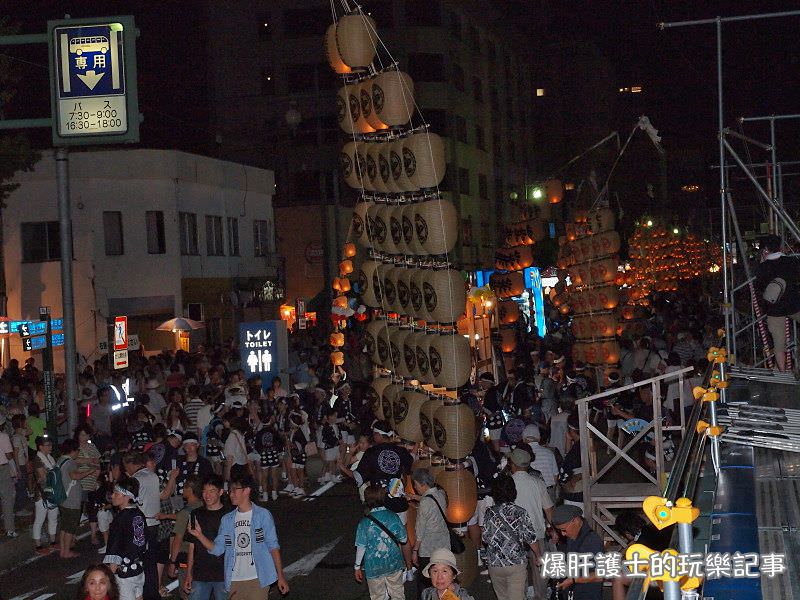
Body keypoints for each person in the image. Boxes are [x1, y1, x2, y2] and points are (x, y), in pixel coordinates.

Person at [188, 474, 289, 599]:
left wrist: (281, 576)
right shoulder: (227, 519)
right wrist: (199, 535)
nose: (231, 494)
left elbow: (273, 546)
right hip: (234, 580)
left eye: (235, 490)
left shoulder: (262, 515)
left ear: (247, 490)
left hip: (258, 578)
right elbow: (218, 549)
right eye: (230, 491)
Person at [482, 474, 539, 600]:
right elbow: (531, 538)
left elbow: (485, 537)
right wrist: (538, 555)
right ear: (513, 491)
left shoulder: (489, 512)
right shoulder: (520, 512)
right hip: (516, 562)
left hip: (495, 563)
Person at [508, 448, 553, 600]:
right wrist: (553, 529)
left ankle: (522, 595)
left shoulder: (508, 484)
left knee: (519, 571)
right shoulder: (538, 483)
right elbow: (548, 510)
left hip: (514, 534)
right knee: (540, 570)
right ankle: (541, 595)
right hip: (537, 532)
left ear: (512, 464)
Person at [354, 483, 411, 600]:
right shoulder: (393, 517)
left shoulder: (364, 522)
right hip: (393, 563)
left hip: (373, 566)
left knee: (377, 596)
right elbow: (404, 539)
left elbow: (361, 546)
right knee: (397, 594)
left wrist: (357, 567)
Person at [755, 234, 800, 371]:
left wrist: (763, 261)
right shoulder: (791, 262)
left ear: (766, 249)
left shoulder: (763, 268)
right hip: (794, 304)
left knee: (779, 343)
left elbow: (761, 286)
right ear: (780, 247)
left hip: (774, 309)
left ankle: (782, 371)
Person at [123, 451, 161, 600]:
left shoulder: (136, 479)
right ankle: (153, 593)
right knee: (151, 561)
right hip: (154, 523)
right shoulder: (153, 475)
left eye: (127, 466)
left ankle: (143, 594)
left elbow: (130, 500)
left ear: (131, 464)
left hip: (141, 525)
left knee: (138, 562)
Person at [103, 476, 147, 600]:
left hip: (124, 573)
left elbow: (115, 548)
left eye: (117, 493)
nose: (112, 496)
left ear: (127, 497)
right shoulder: (139, 514)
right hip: (138, 568)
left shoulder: (120, 518)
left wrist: (108, 576)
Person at [184, 475, 227, 600]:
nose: (207, 495)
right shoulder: (196, 514)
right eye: (204, 491)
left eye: (212, 491)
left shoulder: (229, 515)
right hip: (200, 573)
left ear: (221, 492)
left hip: (223, 574)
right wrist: (189, 573)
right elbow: (192, 546)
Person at [409, 468, 450, 598]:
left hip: (428, 548)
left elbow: (420, 530)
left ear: (422, 484)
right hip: (443, 544)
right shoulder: (441, 494)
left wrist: (415, 551)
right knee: (443, 579)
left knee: (426, 580)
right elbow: (429, 498)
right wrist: (413, 497)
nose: (415, 488)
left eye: (415, 485)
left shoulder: (425, 503)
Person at [551, 505, 603, 599]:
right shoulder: (573, 536)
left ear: (575, 520)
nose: (563, 534)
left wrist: (574, 580)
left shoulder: (592, 540)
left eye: (564, 530)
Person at [59, 438, 99, 558]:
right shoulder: (70, 462)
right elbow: (75, 476)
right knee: (70, 527)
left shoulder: (61, 460)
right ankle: (66, 552)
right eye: (77, 450)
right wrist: (90, 471)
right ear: (73, 451)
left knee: (64, 526)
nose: (77, 452)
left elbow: (79, 462)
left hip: (63, 498)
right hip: (71, 499)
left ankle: (63, 549)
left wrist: (88, 462)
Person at [166, 475, 204, 591]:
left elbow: (178, 540)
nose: (182, 490)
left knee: (186, 590)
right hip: (202, 557)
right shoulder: (204, 507)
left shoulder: (185, 513)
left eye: (185, 487)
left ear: (190, 490)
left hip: (186, 557)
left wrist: (172, 562)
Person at [31, 435, 59, 554]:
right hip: (42, 494)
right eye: (48, 445)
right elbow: (44, 476)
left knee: (53, 517)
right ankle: (38, 546)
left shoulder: (49, 458)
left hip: (52, 492)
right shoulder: (38, 459)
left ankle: (53, 542)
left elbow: (49, 475)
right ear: (40, 447)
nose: (50, 447)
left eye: (51, 445)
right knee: (40, 519)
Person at [0, 413, 18, 537]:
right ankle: (10, 529)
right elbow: (9, 455)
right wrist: (15, 470)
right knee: (7, 498)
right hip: (3, 468)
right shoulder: (3, 436)